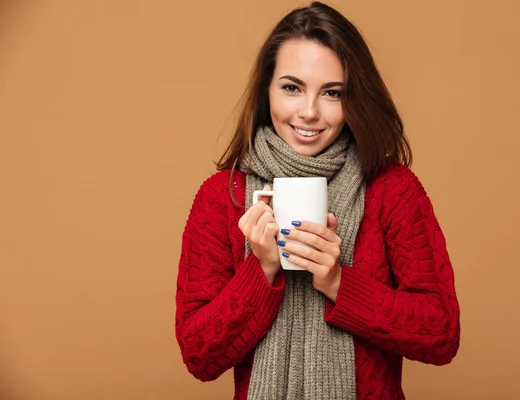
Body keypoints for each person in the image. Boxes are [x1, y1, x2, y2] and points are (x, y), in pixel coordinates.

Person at [175, 2, 460, 399]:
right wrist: (262, 268)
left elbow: (441, 333)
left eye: (332, 92)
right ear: (266, 90)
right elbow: (198, 355)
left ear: (354, 99)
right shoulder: (222, 197)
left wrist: (338, 282)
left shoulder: (392, 191)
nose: (309, 112)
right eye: (292, 87)